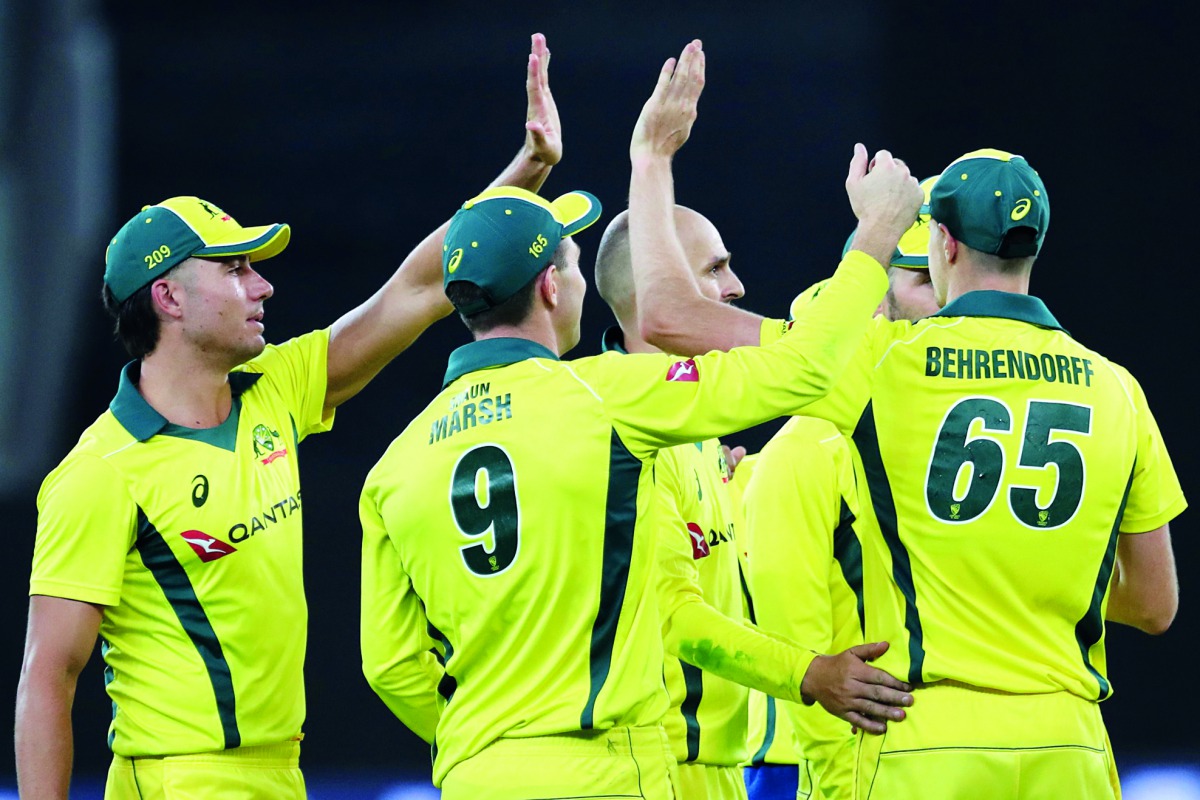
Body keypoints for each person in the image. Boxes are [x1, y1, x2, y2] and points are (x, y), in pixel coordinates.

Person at [358, 39, 921, 800]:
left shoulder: (393, 466)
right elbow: (802, 371)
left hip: (478, 772)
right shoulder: (609, 400)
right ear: (552, 287)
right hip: (612, 764)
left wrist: (484, 740)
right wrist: (876, 240)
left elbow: (391, 666)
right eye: (571, 260)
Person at [15, 33, 569, 800]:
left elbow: (415, 289)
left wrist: (528, 170)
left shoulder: (272, 390)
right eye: (235, 268)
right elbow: (49, 674)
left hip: (280, 774)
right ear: (167, 296)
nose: (263, 286)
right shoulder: (102, 472)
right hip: (181, 781)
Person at [635, 146, 1185, 799]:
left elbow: (668, 318)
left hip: (926, 741)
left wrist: (653, 157)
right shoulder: (1118, 389)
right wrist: (1024, 566)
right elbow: (1154, 605)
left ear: (943, 243)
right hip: (1072, 748)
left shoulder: (881, 363)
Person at [595, 205, 858, 800]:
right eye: (715, 269)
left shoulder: (691, 428)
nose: (736, 286)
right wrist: (811, 674)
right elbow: (676, 619)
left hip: (713, 762)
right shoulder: (623, 438)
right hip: (656, 766)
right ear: (657, 285)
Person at [739, 192, 941, 800]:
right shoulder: (809, 447)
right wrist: (839, 784)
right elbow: (798, 650)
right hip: (816, 769)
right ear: (873, 298)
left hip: (923, 756)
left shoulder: (943, 436)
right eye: (925, 280)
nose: (949, 298)